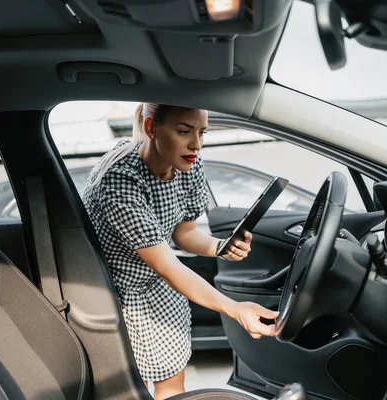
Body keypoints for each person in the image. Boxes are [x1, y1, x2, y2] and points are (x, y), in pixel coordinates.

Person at [82, 103, 279, 400]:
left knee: (172, 388)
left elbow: (184, 233)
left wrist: (220, 248)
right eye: (184, 131)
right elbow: (167, 265)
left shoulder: (187, 162)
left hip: (160, 289)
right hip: (117, 297)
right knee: (130, 392)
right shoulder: (120, 180)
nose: (196, 144)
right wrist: (235, 309)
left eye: (202, 132)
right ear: (151, 128)